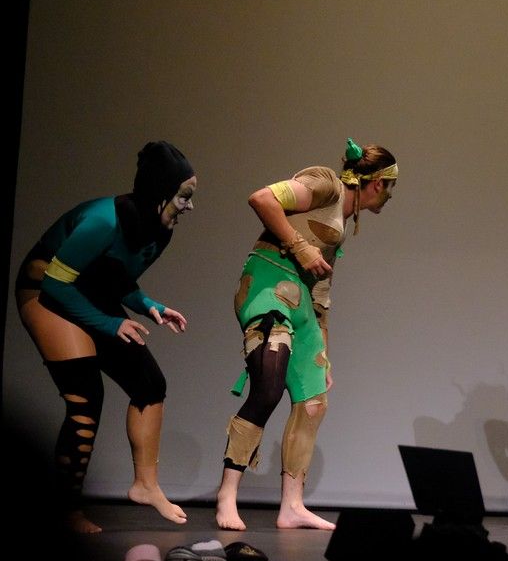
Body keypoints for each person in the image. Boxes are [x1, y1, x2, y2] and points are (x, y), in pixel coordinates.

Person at [215, 138, 398, 531]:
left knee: (314, 402)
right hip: (268, 288)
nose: (389, 197)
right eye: (390, 187)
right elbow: (262, 199)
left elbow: (321, 291)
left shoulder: (342, 223)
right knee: (268, 387)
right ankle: (227, 494)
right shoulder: (325, 182)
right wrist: (299, 246)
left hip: (302, 306)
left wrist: (324, 351)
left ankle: (292, 506)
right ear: (378, 183)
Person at [14, 141, 196, 532]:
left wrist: (148, 304)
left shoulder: (159, 229)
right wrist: (112, 324)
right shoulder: (103, 221)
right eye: (184, 197)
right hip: (45, 293)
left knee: (150, 384)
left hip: (86, 290)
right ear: (160, 193)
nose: (189, 207)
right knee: (86, 397)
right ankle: (66, 510)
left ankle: (146, 485)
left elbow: (116, 279)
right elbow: (54, 285)